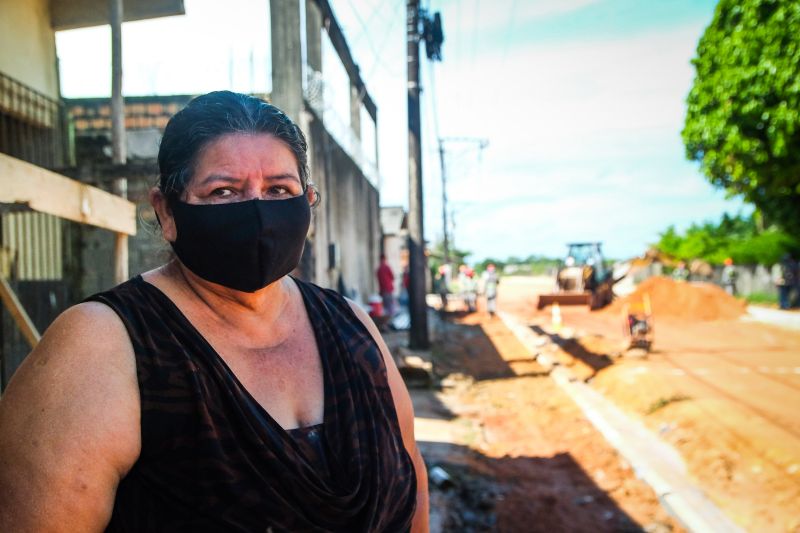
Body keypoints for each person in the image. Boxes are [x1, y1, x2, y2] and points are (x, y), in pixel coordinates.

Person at [0, 91, 428, 532]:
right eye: (223, 191)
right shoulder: (101, 349)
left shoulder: (352, 327)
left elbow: (411, 481)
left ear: (308, 201)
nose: (259, 213)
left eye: (279, 189)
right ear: (167, 212)